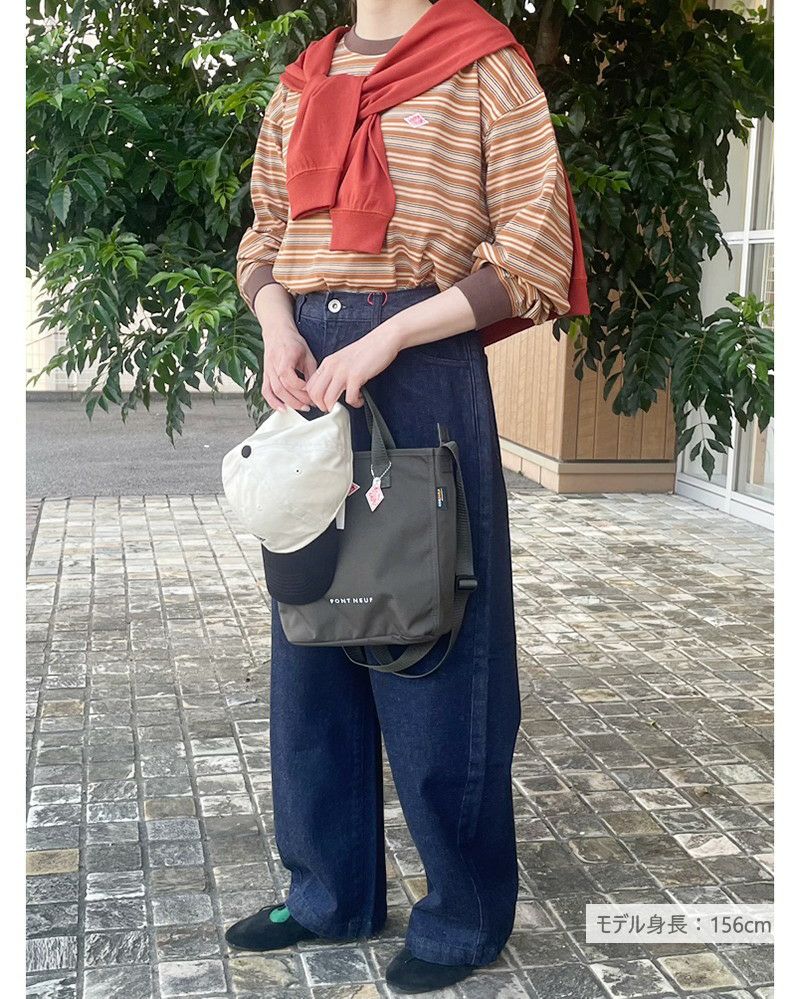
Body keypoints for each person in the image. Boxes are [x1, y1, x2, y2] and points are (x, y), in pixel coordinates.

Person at [225, 0, 584, 992]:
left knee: (435, 643)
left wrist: (389, 336)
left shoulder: (484, 66)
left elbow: (533, 250)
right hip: (308, 371)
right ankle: (328, 893)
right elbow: (265, 236)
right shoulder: (303, 81)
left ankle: (463, 915)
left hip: (420, 368)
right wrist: (277, 327)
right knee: (311, 638)